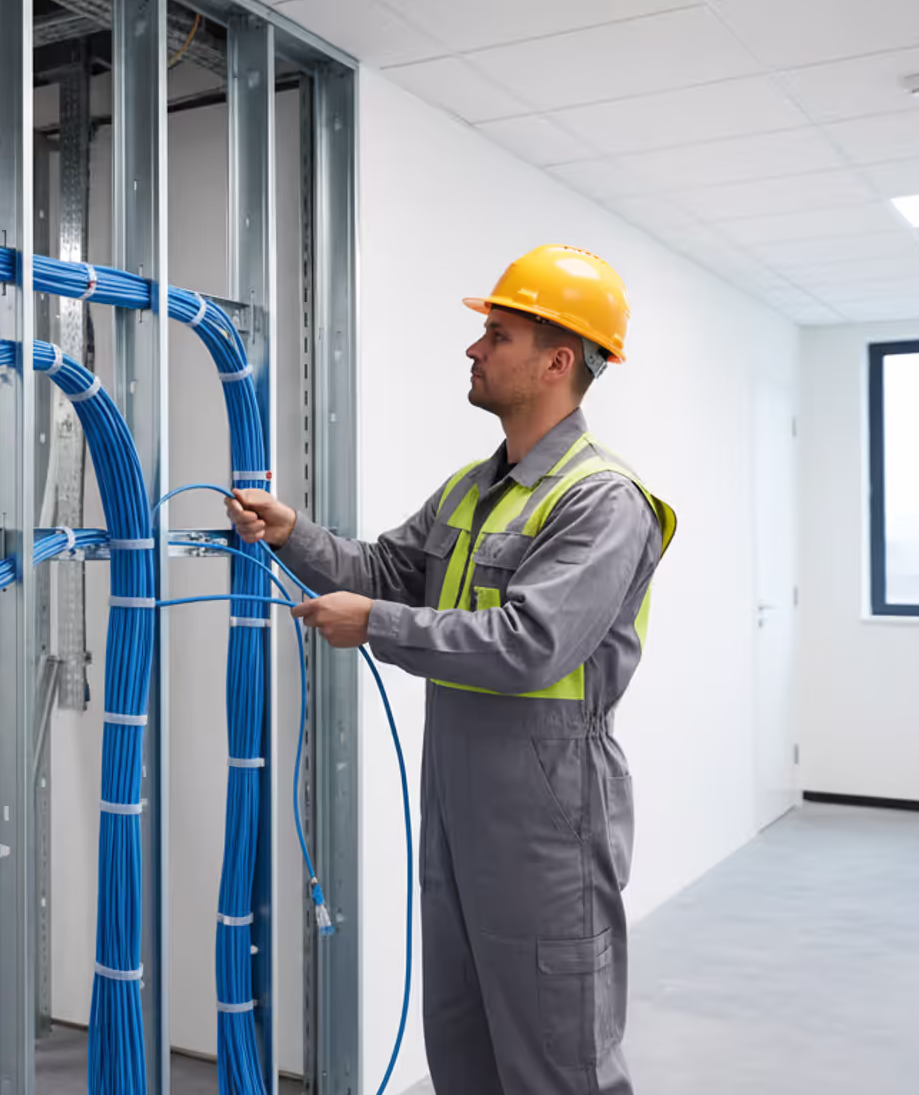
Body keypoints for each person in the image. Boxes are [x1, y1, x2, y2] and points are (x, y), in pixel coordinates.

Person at [227, 245, 676, 1095]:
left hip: (551, 817)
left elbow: (531, 643)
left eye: (496, 335)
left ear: (557, 360)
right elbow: (381, 571)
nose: (474, 349)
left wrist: (377, 627)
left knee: (556, 1060)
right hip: (460, 806)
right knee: (464, 1047)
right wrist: (294, 534)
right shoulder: (472, 490)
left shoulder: (602, 499)